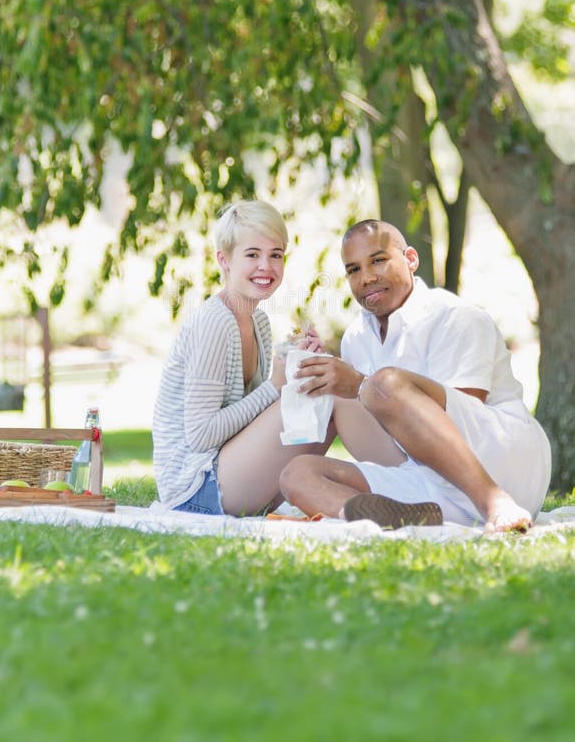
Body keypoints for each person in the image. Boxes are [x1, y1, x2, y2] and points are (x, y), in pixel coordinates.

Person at [279, 219, 552, 533]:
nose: (366, 278)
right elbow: (375, 420)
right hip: (429, 481)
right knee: (297, 474)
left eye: (378, 260)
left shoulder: (455, 317)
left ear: (410, 259)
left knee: (382, 385)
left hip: (502, 464)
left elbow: (462, 418)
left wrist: (359, 383)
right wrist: (325, 368)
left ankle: (495, 503)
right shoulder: (356, 337)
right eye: (353, 270)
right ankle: (403, 517)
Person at [152, 200, 328, 517]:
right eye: (252, 255)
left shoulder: (258, 322)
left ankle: (374, 494)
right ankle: (410, 484)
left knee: (327, 388)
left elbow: (257, 419)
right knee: (336, 396)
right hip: (196, 490)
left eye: (276, 255)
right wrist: (275, 385)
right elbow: (201, 434)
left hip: (230, 474)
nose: (266, 266)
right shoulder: (215, 322)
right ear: (224, 260)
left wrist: (302, 366)